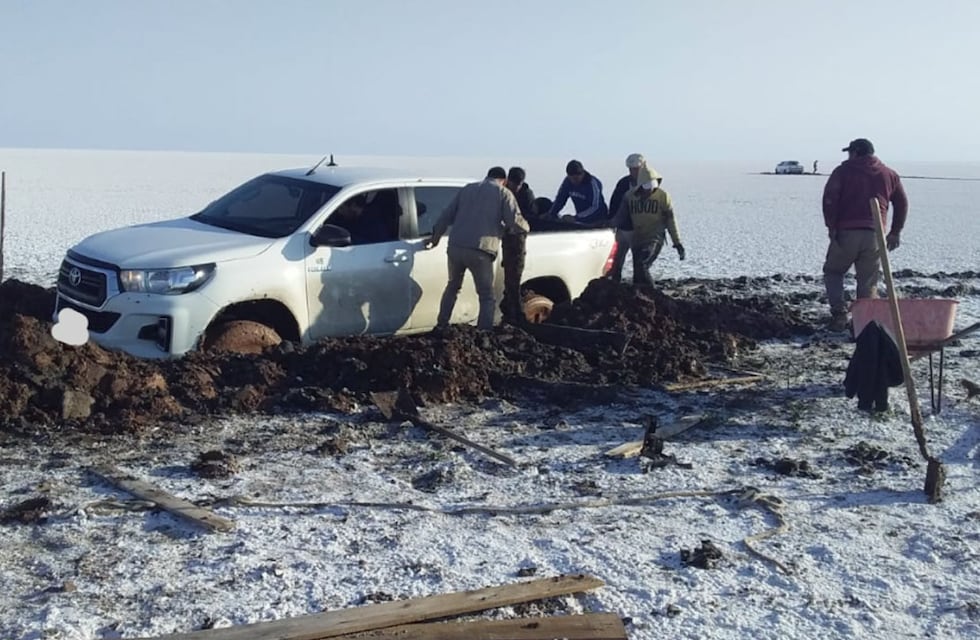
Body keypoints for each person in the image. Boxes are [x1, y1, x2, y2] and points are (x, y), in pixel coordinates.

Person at [822, 138, 908, 331]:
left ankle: (839, 314)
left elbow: (830, 199)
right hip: (875, 235)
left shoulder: (842, 172)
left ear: (856, 153)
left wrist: (832, 227)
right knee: (868, 280)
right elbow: (902, 203)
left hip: (846, 232)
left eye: (850, 152)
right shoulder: (888, 174)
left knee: (833, 271)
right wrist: (895, 232)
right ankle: (863, 321)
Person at [427, 166, 529, 330]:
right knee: (486, 296)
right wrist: (527, 228)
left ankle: (441, 325)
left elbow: (446, 215)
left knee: (452, 287)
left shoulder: (467, 189)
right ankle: (484, 333)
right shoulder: (503, 193)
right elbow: (514, 221)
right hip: (481, 250)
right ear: (504, 180)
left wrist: (435, 238)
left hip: (455, 247)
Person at [611, 164, 684, 287]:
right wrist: (607, 224)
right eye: (646, 188)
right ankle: (638, 295)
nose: (649, 191)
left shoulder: (663, 197)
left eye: (652, 187)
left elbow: (670, 220)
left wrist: (677, 242)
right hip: (637, 238)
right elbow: (620, 217)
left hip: (654, 238)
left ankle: (653, 293)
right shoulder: (629, 196)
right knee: (638, 275)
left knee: (642, 264)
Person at [500, 167, 535, 323]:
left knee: (513, 281)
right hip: (505, 237)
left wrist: (520, 226)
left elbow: (531, 216)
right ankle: (511, 311)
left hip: (518, 238)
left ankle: (515, 315)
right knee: (509, 281)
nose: (516, 188)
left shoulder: (526, 195)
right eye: (514, 184)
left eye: (519, 184)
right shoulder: (503, 192)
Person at [606, 153, 647, 282]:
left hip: (639, 229)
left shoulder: (648, 184)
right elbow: (614, 202)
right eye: (631, 169)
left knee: (638, 260)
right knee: (617, 258)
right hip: (623, 228)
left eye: (636, 169)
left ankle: (638, 285)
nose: (633, 172)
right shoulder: (623, 183)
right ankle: (615, 282)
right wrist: (612, 221)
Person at [546, 160, 608, 226]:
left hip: (598, 220)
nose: (576, 179)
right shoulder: (567, 182)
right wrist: (551, 214)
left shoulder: (593, 184)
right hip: (580, 220)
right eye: (572, 177)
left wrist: (576, 218)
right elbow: (560, 200)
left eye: (578, 175)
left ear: (583, 173)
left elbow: (595, 207)